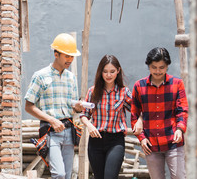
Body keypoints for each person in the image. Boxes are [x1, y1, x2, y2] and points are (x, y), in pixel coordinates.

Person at [24, 33, 84, 179]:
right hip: (51, 132)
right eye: (67, 56)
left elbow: (72, 106)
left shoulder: (71, 78)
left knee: (67, 175)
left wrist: (78, 107)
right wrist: (52, 120)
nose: (70, 60)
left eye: (72, 56)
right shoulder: (40, 76)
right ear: (56, 54)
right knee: (59, 174)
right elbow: (28, 106)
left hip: (69, 132)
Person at [80, 55, 142, 179]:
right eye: (105, 71)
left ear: (118, 71)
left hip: (115, 141)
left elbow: (139, 110)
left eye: (112, 71)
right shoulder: (93, 91)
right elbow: (84, 115)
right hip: (95, 140)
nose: (108, 75)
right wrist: (90, 126)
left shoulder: (124, 92)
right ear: (100, 72)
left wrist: (140, 121)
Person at [131, 47, 189, 179]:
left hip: (173, 141)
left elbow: (182, 110)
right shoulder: (139, 86)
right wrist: (142, 138)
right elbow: (134, 114)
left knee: (179, 176)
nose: (158, 71)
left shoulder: (177, 84)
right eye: (154, 67)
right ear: (148, 66)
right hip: (150, 145)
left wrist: (180, 129)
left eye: (161, 67)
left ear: (167, 66)